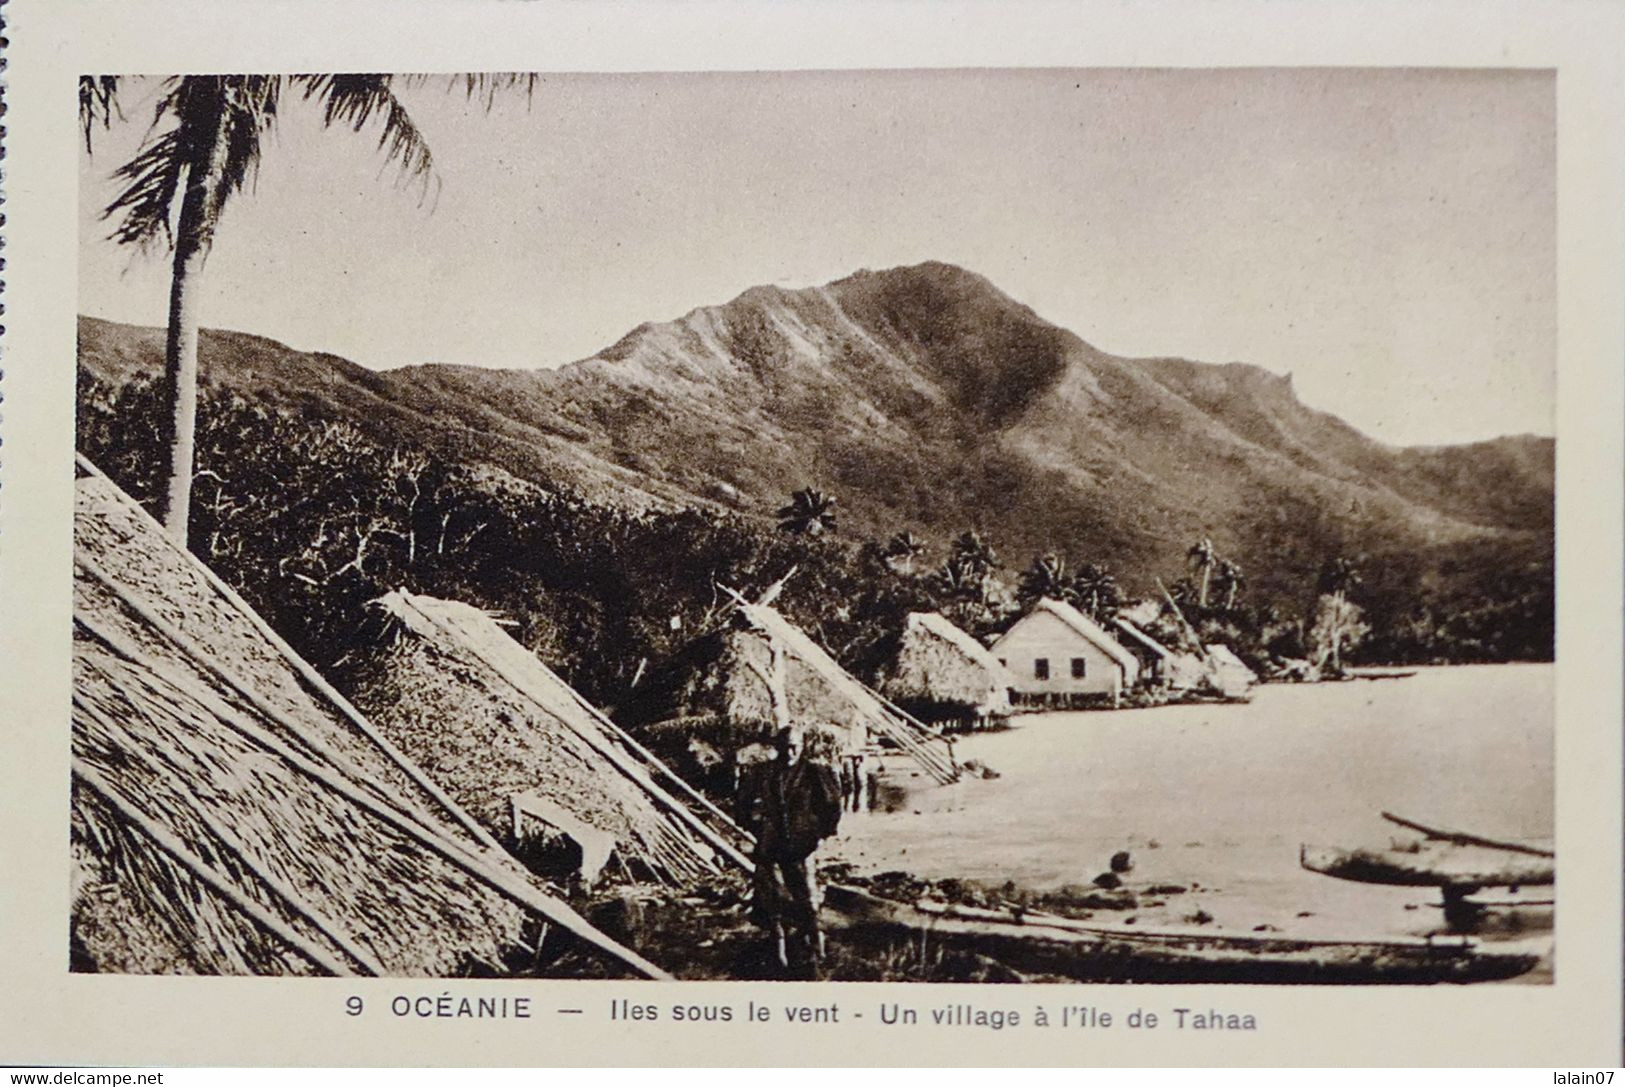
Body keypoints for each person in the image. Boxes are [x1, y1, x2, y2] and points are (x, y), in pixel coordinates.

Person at [734, 726, 844, 975]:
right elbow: (742, 802)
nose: (790, 752)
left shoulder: (814, 771)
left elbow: (832, 804)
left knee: (805, 894)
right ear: (777, 747)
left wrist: (822, 834)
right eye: (785, 747)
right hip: (770, 843)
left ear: (803, 745)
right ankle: (779, 950)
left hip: (801, 843)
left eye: (795, 746)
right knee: (772, 895)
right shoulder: (762, 773)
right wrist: (755, 827)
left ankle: (817, 946)